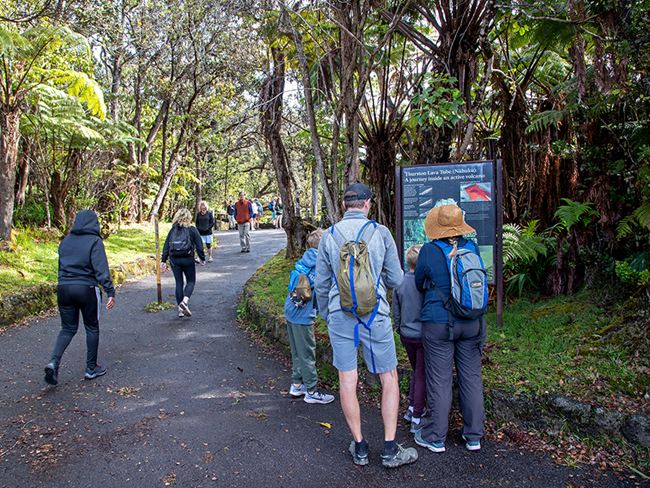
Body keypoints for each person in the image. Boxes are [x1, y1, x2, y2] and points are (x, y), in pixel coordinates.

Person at [314, 182, 417, 469]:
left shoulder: (328, 236)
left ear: (345, 205)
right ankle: (390, 447)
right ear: (368, 203)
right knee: (389, 378)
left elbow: (321, 284)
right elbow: (396, 280)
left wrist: (328, 314)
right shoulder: (381, 232)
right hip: (377, 317)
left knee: (348, 380)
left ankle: (359, 447)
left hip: (341, 316)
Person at [414, 204, 486, 453]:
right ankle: (474, 436)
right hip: (471, 322)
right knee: (471, 378)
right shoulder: (472, 247)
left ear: (438, 227)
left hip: (438, 323)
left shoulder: (429, 250)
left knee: (440, 380)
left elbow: (419, 283)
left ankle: (435, 437)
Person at [44, 209, 115, 385]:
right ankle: (91, 368)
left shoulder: (65, 241)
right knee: (91, 327)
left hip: (63, 288)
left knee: (67, 328)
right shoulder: (94, 241)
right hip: (86, 288)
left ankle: (54, 362)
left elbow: (60, 267)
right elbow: (101, 268)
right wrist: (110, 291)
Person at [285, 229, 334, 405]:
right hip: (302, 314)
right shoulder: (321, 264)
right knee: (307, 351)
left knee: (298, 350)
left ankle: (297, 384)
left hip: (291, 308)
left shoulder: (306, 258)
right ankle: (311, 391)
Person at [393, 244, 427, 435]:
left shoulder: (400, 282)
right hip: (423, 335)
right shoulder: (425, 283)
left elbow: (396, 311)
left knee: (416, 371)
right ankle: (417, 416)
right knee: (422, 374)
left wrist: (400, 328)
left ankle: (412, 407)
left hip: (406, 335)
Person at [161, 208, 205, 317]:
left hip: (174, 259)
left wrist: (163, 260)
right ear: (188, 218)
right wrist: (202, 258)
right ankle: (185, 301)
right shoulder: (191, 229)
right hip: (187, 258)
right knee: (190, 281)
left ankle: (180, 310)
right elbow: (199, 244)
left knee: (179, 283)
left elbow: (166, 245)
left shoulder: (173, 230)